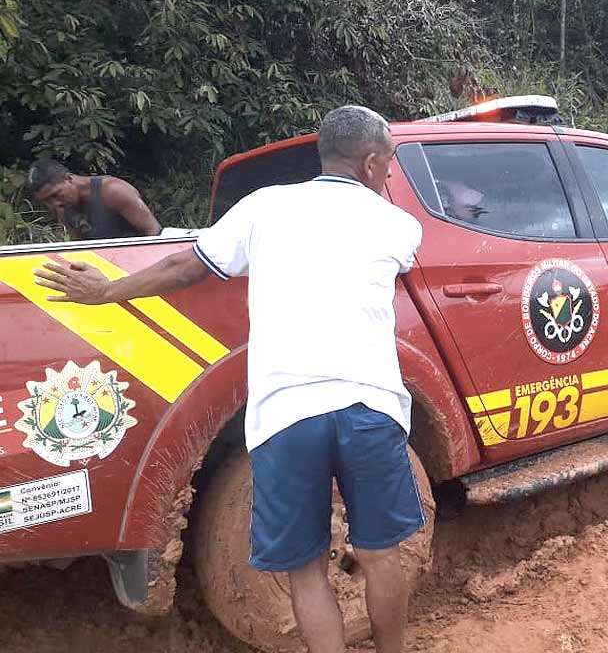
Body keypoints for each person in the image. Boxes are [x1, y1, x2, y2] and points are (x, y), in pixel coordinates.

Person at [33, 105, 426, 653]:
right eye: (387, 162)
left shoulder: (263, 207)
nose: (389, 172)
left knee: (306, 569)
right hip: (371, 407)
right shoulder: (399, 225)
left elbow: (181, 268)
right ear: (369, 163)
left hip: (284, 416)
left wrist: (106, 291)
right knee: (383, 555)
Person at [27, 159, 162, 239]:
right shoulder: (63, 210)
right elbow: (80, 250)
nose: (55, 203)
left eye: (56, 194)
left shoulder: (113, 191)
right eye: (47, 200)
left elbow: (154, 233)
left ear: (68, 179)